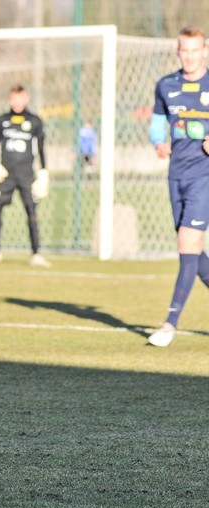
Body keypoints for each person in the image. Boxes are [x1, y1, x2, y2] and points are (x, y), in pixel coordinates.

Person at [147, 26, 209, 347]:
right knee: (194, 256)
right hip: (176, 175)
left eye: (195, 50)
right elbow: (158, 123)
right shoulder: (166, 86)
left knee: (187, 245)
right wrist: (158, 143)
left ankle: (170, 323)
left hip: (205, 176)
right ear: (177, 51)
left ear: (205, 50)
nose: (189, 56)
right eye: (184, 50)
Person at [0, 84, 51, 268]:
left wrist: (43, 172)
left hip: (26, 175)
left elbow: (40, 148)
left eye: (20, 98)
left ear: (26, 99)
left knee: (31, 212)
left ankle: (36, 253)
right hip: (6, 175)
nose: (17, 102)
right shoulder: (2, 120)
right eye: (13, 99)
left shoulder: (34, 121)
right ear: (10, 99)